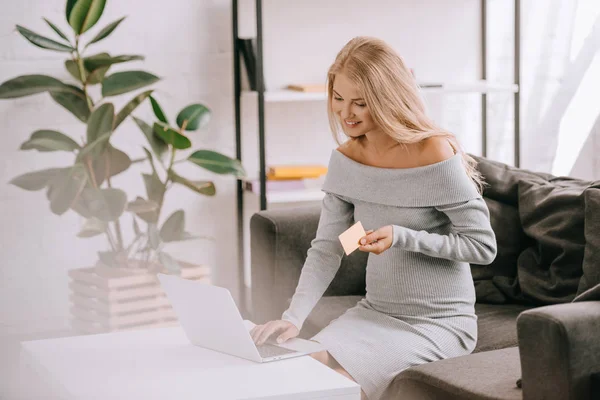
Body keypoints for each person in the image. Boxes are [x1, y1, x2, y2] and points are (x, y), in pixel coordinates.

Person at [250, 36, 497, 400]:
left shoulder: (433, 152)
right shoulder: (346, 160)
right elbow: (330, 248)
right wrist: (293, 317)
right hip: (374, 314)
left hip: (438, 324)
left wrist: (401, 236)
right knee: (296, 372)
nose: (345, 113)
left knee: (337, 386)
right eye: (338, 98)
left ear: (387, 99)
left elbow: (482, 246)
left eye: (360, 103)